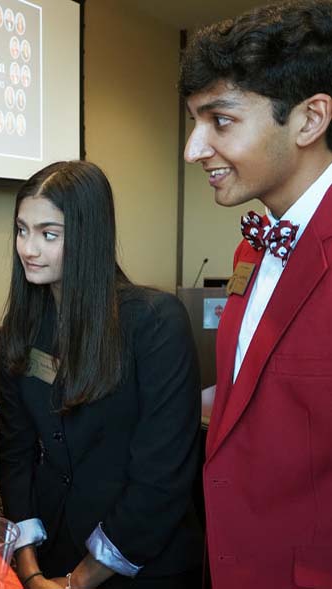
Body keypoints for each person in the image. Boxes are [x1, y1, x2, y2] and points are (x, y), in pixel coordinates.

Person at [180, 1, 332, 586]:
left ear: (308, 119)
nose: (194, 149)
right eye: (195, 123)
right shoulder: (252, 247)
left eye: (220, 121)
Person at [0, 161, 203, 588]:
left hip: (142, 559)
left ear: (90, 236)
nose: (28, 249)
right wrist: (30, 567)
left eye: (48, 234)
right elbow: (15, 454)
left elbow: (162, 475)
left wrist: (81, 580)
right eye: (22, 230)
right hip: (51, 550)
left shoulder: (154, 322)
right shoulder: (25, 326)